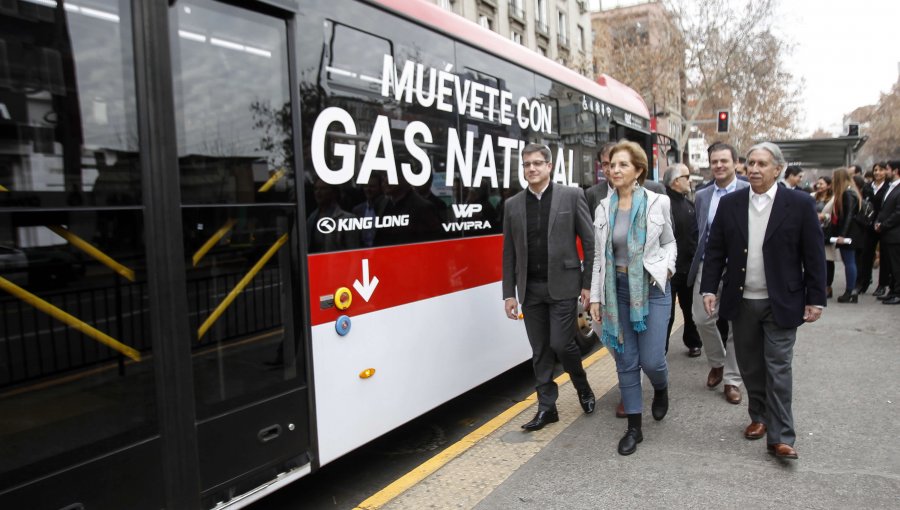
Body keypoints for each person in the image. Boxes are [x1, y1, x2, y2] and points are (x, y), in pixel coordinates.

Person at [701, 142, 826, 460]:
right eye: (750, 163)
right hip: (741, 301)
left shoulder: (799, 204)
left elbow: (813, 254)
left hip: (782, 301)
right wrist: (709, 288)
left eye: (761, 164)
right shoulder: (731, 204)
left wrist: (816, 298)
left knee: (779, 366)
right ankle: (758, 416)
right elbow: (715, 250)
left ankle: (782, 436)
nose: (753, 169)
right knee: (751, 366)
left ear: (778, 169)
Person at [589, 140, 676, 456]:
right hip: (617, 291)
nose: (615, 170)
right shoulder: (603, 208)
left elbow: (669, 244)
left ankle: (661, 388)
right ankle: (634, 429)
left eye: (622, 164)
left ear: (638, 169)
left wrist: (667, 269)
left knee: (652, 359)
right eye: (612, 165)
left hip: (652, 289)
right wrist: (596, 298)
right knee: (626, 359)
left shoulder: (657, 203)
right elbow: (600, 256)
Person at [502, 143, 596, 431]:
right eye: (527, 164)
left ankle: (582, 387)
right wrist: (508, 293)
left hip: (564, 286)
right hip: (530, 290)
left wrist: (588, 284)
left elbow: (590, 243)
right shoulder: (513, 205)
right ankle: (547, 408)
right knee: (540, 350)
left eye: (537, 163)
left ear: (549, 166)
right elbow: (509, 252)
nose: (531, 168)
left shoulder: (571, 196)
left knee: (561, 344)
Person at [687, 142, 747, 405]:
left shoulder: (749, 190)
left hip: (741, 268)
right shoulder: (702, 195)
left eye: (724, 161)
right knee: (701, 317)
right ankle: (717, 362)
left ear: (735, 163)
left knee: (737, 324)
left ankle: (732, 380)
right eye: (714, 162)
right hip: (708, 264)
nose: (719, 166)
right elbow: (701, 232)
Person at [663, 164, 702, 356]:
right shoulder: (662, 203)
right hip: (668, 271)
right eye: (687, 176)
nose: (691, 180)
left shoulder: (689, 205)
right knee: (666, 314)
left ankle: (693, 341)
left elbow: (694, 236)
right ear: (676, 181)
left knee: (690, 310)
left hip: (688, 268)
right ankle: (661, 350)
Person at [856, 162, 890, 294]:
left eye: (881, 170)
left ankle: (882, 285)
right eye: (875, 170)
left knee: (884, 257)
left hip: (883, 225)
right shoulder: (867, 187)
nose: (877, 173)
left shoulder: (888, 187)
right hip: (868, 226)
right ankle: (863, 282)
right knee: (866, 255)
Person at [831, 168, 862, 303]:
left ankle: (850, 291)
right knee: (850, 262)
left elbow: (848, 215)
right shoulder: (852, 192)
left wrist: (842, 235)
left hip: (849, 233)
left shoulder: (847, 193)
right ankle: (852, 290)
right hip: (853, 231)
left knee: (849, 262)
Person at [874, 160, 900, 304]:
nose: (885, 172)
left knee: (896, 266)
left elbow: (898, 213)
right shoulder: (891, 187)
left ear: (895, 171)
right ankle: (893, 290)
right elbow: (884, 209)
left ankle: (898, 293)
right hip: (887, 234)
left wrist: (883, 224)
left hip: (895, 235)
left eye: (887, 169)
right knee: (890, 265)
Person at [812, 176, 835, 298]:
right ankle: (817, 286)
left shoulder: (833, 199)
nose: (819, 186)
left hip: (826, 232)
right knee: (814, 260)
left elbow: (835, 216)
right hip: (813, 231)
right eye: (818, 183)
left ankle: (828, 286)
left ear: (829, 185)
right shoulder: (812, 196)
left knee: (827, 260)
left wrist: (824, 216)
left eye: (822, 184)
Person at [585, 142, 617, 216]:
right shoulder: (591, 194)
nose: (609, 169)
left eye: (613, 163)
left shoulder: (644, 190)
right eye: (605, 164)